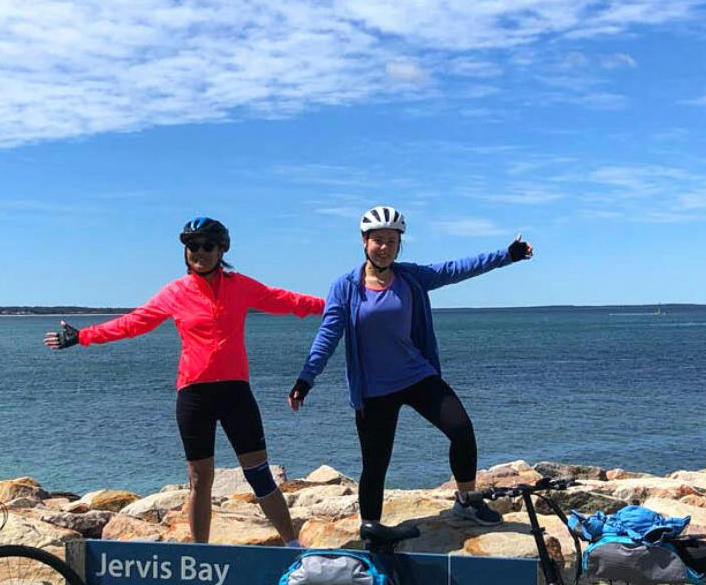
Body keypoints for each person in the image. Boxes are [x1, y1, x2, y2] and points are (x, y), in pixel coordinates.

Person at [45, 217, 324, 545]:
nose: (199, 252)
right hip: (194, 395)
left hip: (235, 392)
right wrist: (84, 336)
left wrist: (337, 306)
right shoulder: (175, 292)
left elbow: (288, 301)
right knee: (199, 479)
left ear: (222, 250)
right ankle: (200, 555)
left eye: (208, 246)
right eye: (193, 246)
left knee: (259, 474)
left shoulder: (240, 286)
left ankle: (292, 546)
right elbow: (135, 322)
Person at [288, 205, 533, 532]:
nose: (385, 247)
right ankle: (372, 528)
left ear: (399, 243)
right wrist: (306, 378)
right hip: (374, 390)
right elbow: (328, 335)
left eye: (392, 240)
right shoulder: (346, 287)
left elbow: (456, 268)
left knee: (461, 429)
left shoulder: (410, 278)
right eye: (378, 240)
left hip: (417, 376)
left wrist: (507, 255)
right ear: (364, 241)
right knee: (375, 463)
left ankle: (465, 501)